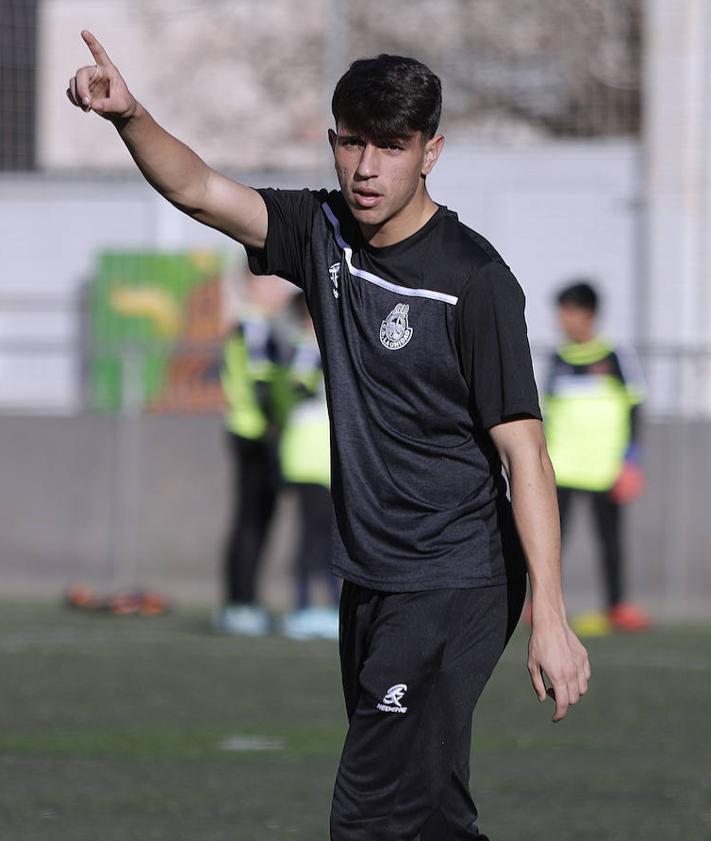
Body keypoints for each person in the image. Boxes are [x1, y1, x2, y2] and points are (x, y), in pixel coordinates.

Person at [68, 33, 590, 841]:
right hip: (372, 577)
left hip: (456, 579)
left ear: (430, 153)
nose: (367, 167)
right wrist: (130, 116)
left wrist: (550, 616)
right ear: (333, 141)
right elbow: (203, 189)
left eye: (391, 146)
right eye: (353, 142)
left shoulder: (474, 281)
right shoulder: (323, 233)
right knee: (428, 815)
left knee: (370, 814)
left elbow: (525, 453)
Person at [544, 281, 650, 635]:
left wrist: (631, 461)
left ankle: (617, 606)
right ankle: (544, 605)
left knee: (611, 542)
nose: (563, 320)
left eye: (569, 311)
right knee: (550, 540)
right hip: (562, 467)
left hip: (606, 469)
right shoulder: (558, 359)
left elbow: (635, 408)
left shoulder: (616, 355)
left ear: (588, 314)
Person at [215, 272, 291, 636]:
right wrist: (276, 426)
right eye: (273, 282)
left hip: (251, 430)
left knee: (255, 519)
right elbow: (261, 384)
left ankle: (244, 600)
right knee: (251, 520)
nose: (282, 289)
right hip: (255, 433)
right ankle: (241, 603)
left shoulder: (254, 325)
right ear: (253, 286)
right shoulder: (255, 326)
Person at [279, 293, 340, 641]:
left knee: (328, 536)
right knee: (314, 537)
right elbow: (300, 386)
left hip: (322, 457)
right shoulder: (309, 346)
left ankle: (324, 606)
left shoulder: (317, 345)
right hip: (310, 456)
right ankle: (306, 607)